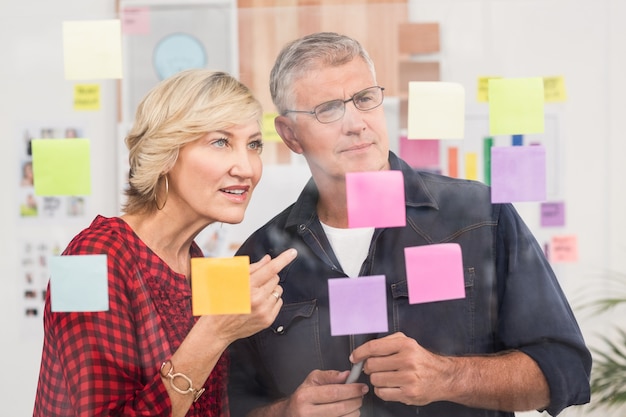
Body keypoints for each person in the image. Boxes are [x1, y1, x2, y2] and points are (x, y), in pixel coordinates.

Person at [227, 32, 591, 417]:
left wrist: (449, 377)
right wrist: (284, 413)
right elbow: (226, 404)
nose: (356, 124)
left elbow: (566, 370)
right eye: (328, 109)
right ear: (290, 135)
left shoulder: (480, 217)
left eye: (365, 99)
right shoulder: (259, 257)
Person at [33, 69, 297, 417]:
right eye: (221, 141)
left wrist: (290, 410)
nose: (247, 168)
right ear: (165, 153)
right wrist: (216, 332)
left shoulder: (195, 259)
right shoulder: (86, 259)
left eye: (253, 145)